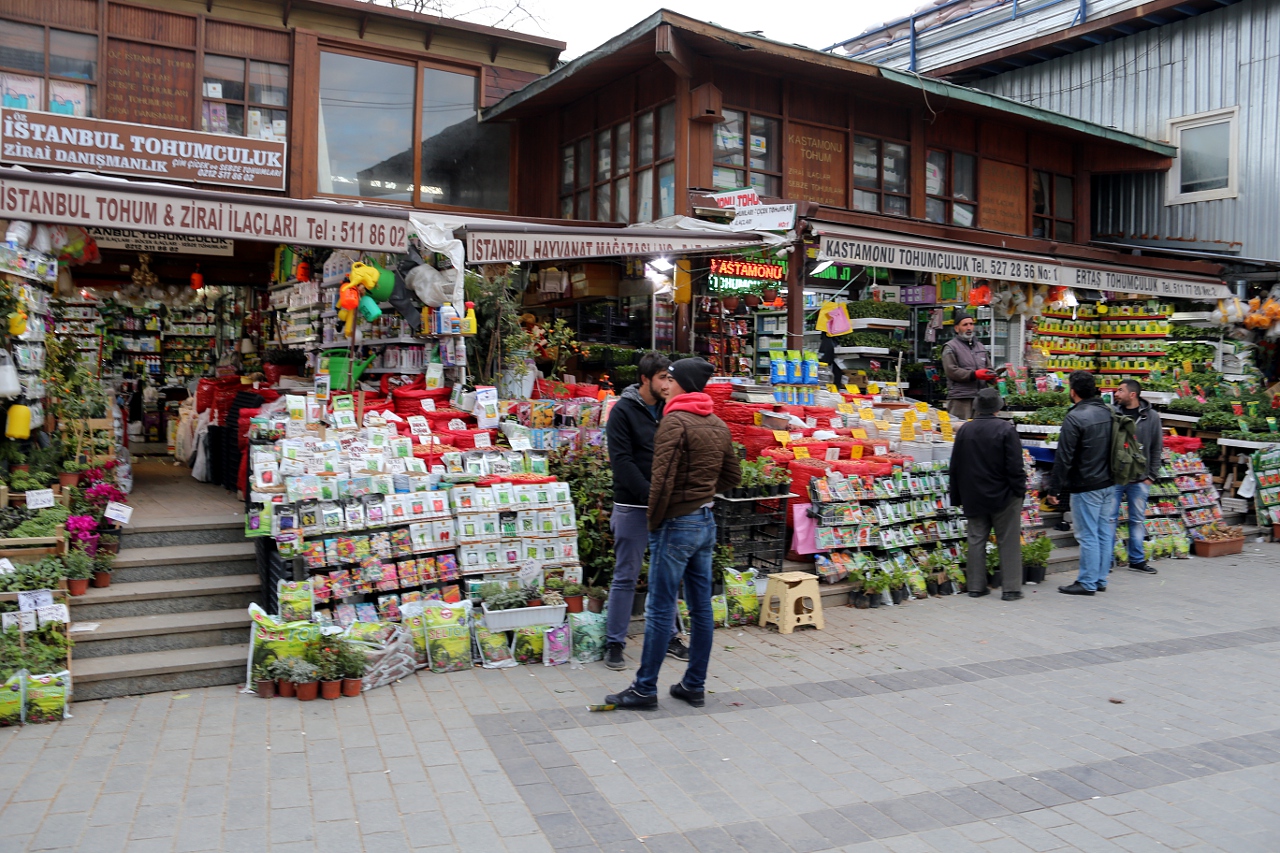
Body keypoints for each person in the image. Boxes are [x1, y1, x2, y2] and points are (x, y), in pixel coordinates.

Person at [604, 358, 740, 710]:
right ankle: (694, 684)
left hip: (676, 523)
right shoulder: (716, 423)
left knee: (660, 607)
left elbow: (661, 481)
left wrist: (658, 517)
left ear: (682, 384)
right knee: (701, 608)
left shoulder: (674, 420)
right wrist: (701, 492)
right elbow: (732, 477)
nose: (668, 385)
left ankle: (644, 688)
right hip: (705, 521)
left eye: (672, 379)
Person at [603, 352, 688, 671]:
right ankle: (614, 642)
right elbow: (622, 462)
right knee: (626, 575)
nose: (668, 384)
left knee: (665, 576)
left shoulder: (672, 409)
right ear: (645, 379)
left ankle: (668, 637)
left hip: (667, 507)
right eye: (663, 378)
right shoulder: (622, 412)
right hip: (632, 505)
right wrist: (652, 495)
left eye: (671, 378)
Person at [949, 388, 1027, 601]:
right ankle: (1010, 589)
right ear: (998, 407)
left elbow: (955, 465)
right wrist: (1020, 490)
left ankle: (975, 586)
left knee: (976, 539)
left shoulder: (965, 430)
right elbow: (1015, 466)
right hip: (1004, 495)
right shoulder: (1006, 429)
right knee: (1008, 541)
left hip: (973, 494)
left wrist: (955, 496)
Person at [1049, 371, 1116, 595]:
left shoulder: (1075, 417)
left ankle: (1087, 582)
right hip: (1109, 482)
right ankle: (1100, 579)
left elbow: (1064, 457)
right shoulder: (1108, 411)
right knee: (1103, 532)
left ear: (1073, 391)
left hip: (1087, 485)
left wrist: (1054, 489)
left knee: (1087, 534)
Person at [1111, 379, 1163, 575]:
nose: (1116, 393)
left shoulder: (1151, 417)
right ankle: (1106, 561)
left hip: (1141, 479)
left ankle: (1137, 560)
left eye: (1120, 390)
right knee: (1109, 519)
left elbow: (1157, 447)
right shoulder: (1112, 413)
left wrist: (1151, 475)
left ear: (1132, 394)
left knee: (1137, 520)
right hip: (1116, 477)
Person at [941, 311, 996, 420]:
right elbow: (951, 371)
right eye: (965, 325)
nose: (969, 327)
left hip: (980, 397)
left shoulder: (980, 346)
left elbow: (988, 367)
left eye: (971, 324)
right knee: (959, 429)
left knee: (978, 431)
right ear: (957, 328)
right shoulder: (950, 347)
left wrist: (993, 377)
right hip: (961, 398)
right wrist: (973, 374)